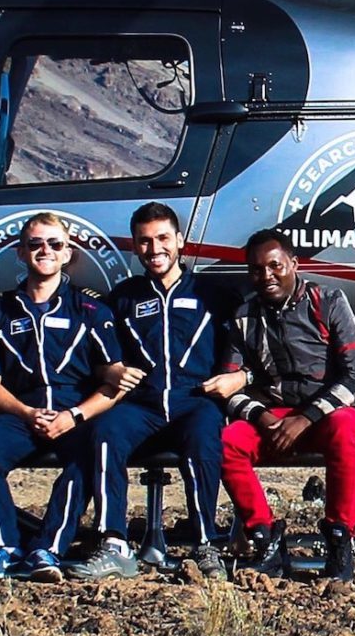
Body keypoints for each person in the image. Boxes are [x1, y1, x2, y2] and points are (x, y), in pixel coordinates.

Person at [74, 202, 245, 580]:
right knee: (104, 433)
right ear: (135, 246)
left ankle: (205, 544)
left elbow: (251, 348)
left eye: (163, 238)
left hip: (195, 400)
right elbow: (100, 357)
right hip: (143, 404)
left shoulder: (214, 294)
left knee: (204, 439)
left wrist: (240, 377)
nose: (155, 249)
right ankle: (114, 544)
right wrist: (111, 370)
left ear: (180, 241)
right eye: (145, 241)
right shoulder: (123, 298)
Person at [0, 212, 125, 582]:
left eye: (54, 244)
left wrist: (74, 415)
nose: (45, 250)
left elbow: (113, 383)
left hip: (74, 411)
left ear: (67, 253)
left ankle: (48, 549)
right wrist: (25, 412)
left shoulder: (91, 310)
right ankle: (2, 548)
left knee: (93, 451)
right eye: (35, 244)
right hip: (23, 411)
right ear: (21, 253)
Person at [216, 227, 355, 583]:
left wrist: (305, 418)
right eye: (257, 269)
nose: (267, 276)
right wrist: (262, 417)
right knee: (226, 443)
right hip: (274, 417)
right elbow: (228, 385)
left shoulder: (328, 301)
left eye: (275, 266)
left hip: (327, 415)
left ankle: (340, 540)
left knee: (347, 427)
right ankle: (266, 541)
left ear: (294, 264)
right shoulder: (243, 317)